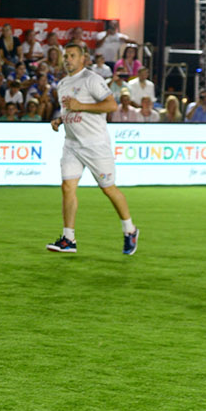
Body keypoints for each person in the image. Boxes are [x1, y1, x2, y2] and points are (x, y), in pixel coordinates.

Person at [46, 43, 138, 256]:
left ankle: (130, 230)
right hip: (72, 144)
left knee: (108, 188)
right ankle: (68, 239)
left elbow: (111, 105)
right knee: (67, 187)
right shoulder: (62, 83)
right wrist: (61, 119)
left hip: (95, 145)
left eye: (72, 55)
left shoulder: (92, 79)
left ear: (83, 59)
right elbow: (71, 110)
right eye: (66, 56)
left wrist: (81, 106)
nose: (68, 59)